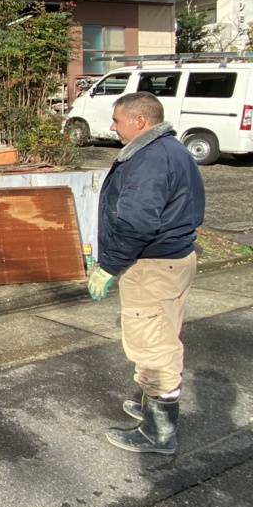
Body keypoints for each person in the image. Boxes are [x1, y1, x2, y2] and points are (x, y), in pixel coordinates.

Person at [87, 90, 205, 455]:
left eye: (117, 120)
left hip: (154, 266)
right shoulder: (171, 149)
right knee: (162, 332)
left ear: (140, 122)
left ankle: (158, 432)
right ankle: (153, 407)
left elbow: (136, 222)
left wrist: (108, 265)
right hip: (173, 260)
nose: (112, 126)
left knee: (153, 346)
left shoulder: (150, 159)